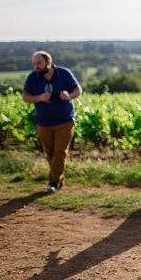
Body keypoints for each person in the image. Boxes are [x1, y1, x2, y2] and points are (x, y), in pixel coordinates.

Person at [22, 51, 82, 193]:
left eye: (39, 63)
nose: (36, 66)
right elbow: (25, 97)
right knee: (50, 153)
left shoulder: (64, 73)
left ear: (48, 62)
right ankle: (58, 179)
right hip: (43, 122)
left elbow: (78, 89)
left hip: (65, 120)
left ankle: (53, 182)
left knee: (60, 151)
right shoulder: (32, 77)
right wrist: (40, 98)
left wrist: (69, 96)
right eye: (34, 64)